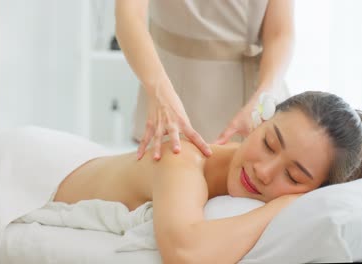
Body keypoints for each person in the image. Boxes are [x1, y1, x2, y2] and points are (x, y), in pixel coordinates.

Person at [52, 91, 362, 263]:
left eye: (292, 175)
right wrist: (279, 206)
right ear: (258, 123)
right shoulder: (184, 159)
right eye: (268, 143)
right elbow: (186, 255)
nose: (263, 171)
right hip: (36, 169)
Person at [115, 0, 295, 161]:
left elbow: (280, 33)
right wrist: (159, 92)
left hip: (257, 102)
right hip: (175, 97)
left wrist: (264, 96)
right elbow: (129, 17)